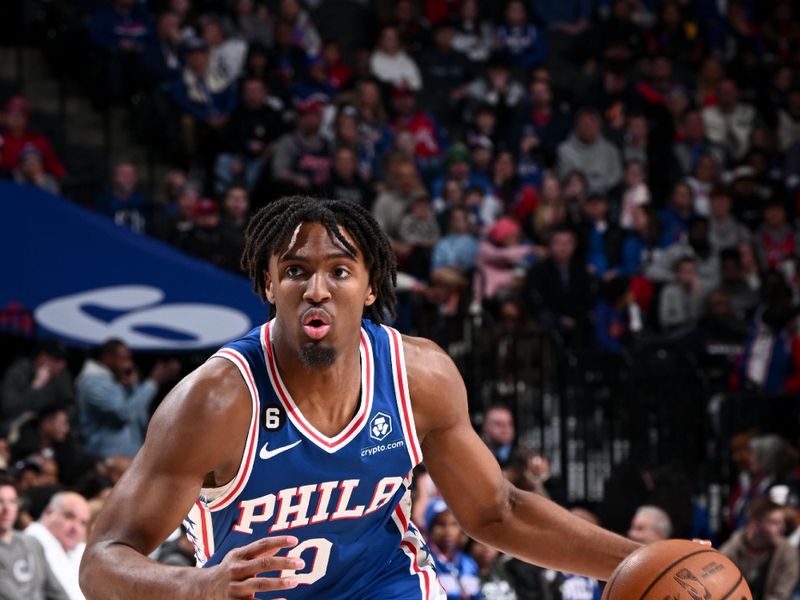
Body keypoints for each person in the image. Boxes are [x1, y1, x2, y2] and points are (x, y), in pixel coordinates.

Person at [80, 196, 640, 598]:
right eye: (296, 271)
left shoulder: (417, 376)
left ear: (371, 287)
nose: (317, 289)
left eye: (340, 271)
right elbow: (101, 562)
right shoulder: (217, 400)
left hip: (387, 586)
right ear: (269, 285)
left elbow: (498, 512)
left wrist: (640, 562)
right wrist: (196, 586)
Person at [75, 339, 179, 459]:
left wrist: (132, 386)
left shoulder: (114, 380)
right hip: (107, 459)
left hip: (130, 456)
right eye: (124, 359)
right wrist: (153, 382)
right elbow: (124, 413)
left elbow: (138, 415)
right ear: (109, 358)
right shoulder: (92, 382)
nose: (129, 364)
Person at [0, 474, 69, 600]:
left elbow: (55, 590)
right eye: (0, 501)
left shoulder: (32, 543)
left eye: (12, 501)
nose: (6, 509)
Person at [721, 497, 799, 600]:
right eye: (774, 522)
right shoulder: (732, 550)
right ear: (755, 524)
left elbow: (780, 595)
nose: (783, 528)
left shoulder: (786, 552)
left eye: (782, 522)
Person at [26, 492, 91, 600]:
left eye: (83, 523)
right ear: (48, 512)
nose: (76, 528)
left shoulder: (79, 549)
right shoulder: (29, 543)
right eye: (69, 517)